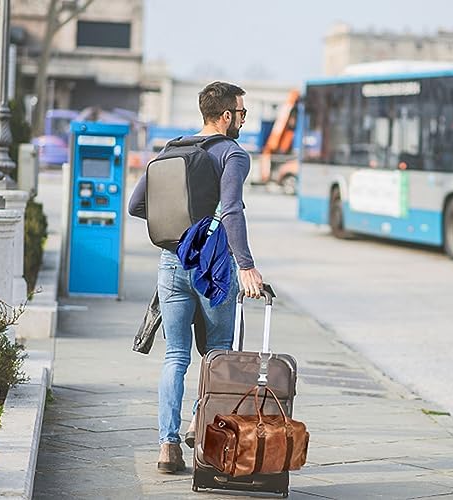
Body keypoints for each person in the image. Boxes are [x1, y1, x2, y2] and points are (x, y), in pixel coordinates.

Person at [128, 81, 263, 473]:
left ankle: (167, 447)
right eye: (241, 112)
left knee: (175, 356)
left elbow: (138, 205)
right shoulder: (232, 154)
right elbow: (233, 210)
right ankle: (200, 429)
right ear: (226, 116)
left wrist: (180, 224)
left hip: (171, 263)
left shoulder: (171, 149)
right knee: (218, 351)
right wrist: (246, 265)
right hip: (214, 268)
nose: (243, 118)